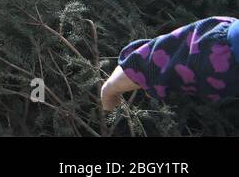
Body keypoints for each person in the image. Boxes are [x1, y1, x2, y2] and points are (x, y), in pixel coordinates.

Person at [102, 16, 239, 109]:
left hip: (220, 59)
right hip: (220, 52)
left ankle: (122, 85)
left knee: (158, 61)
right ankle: (111, 89)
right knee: (155, 62)